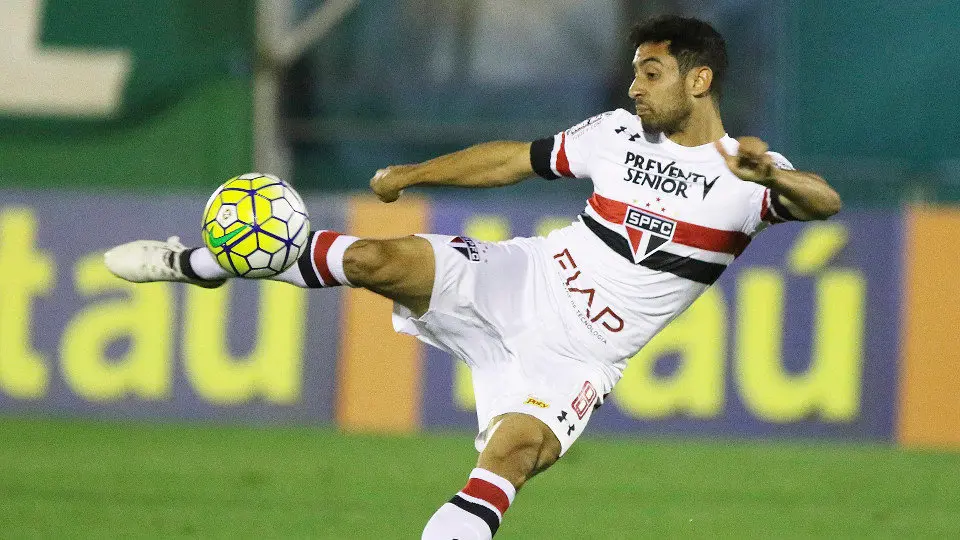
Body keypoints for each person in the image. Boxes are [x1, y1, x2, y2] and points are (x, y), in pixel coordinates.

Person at [104, 15, 841, 540]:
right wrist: (411, 175)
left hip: (578, 355)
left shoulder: (751, 177)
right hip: (526, 277)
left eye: (651, 73)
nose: (636, 86)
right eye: (635, 72)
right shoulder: (615, 134)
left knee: (506, 463)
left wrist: (768, 174)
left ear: (699, 78)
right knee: (372, 260)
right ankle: (203, 262)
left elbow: (822, 200)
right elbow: (513, 158)